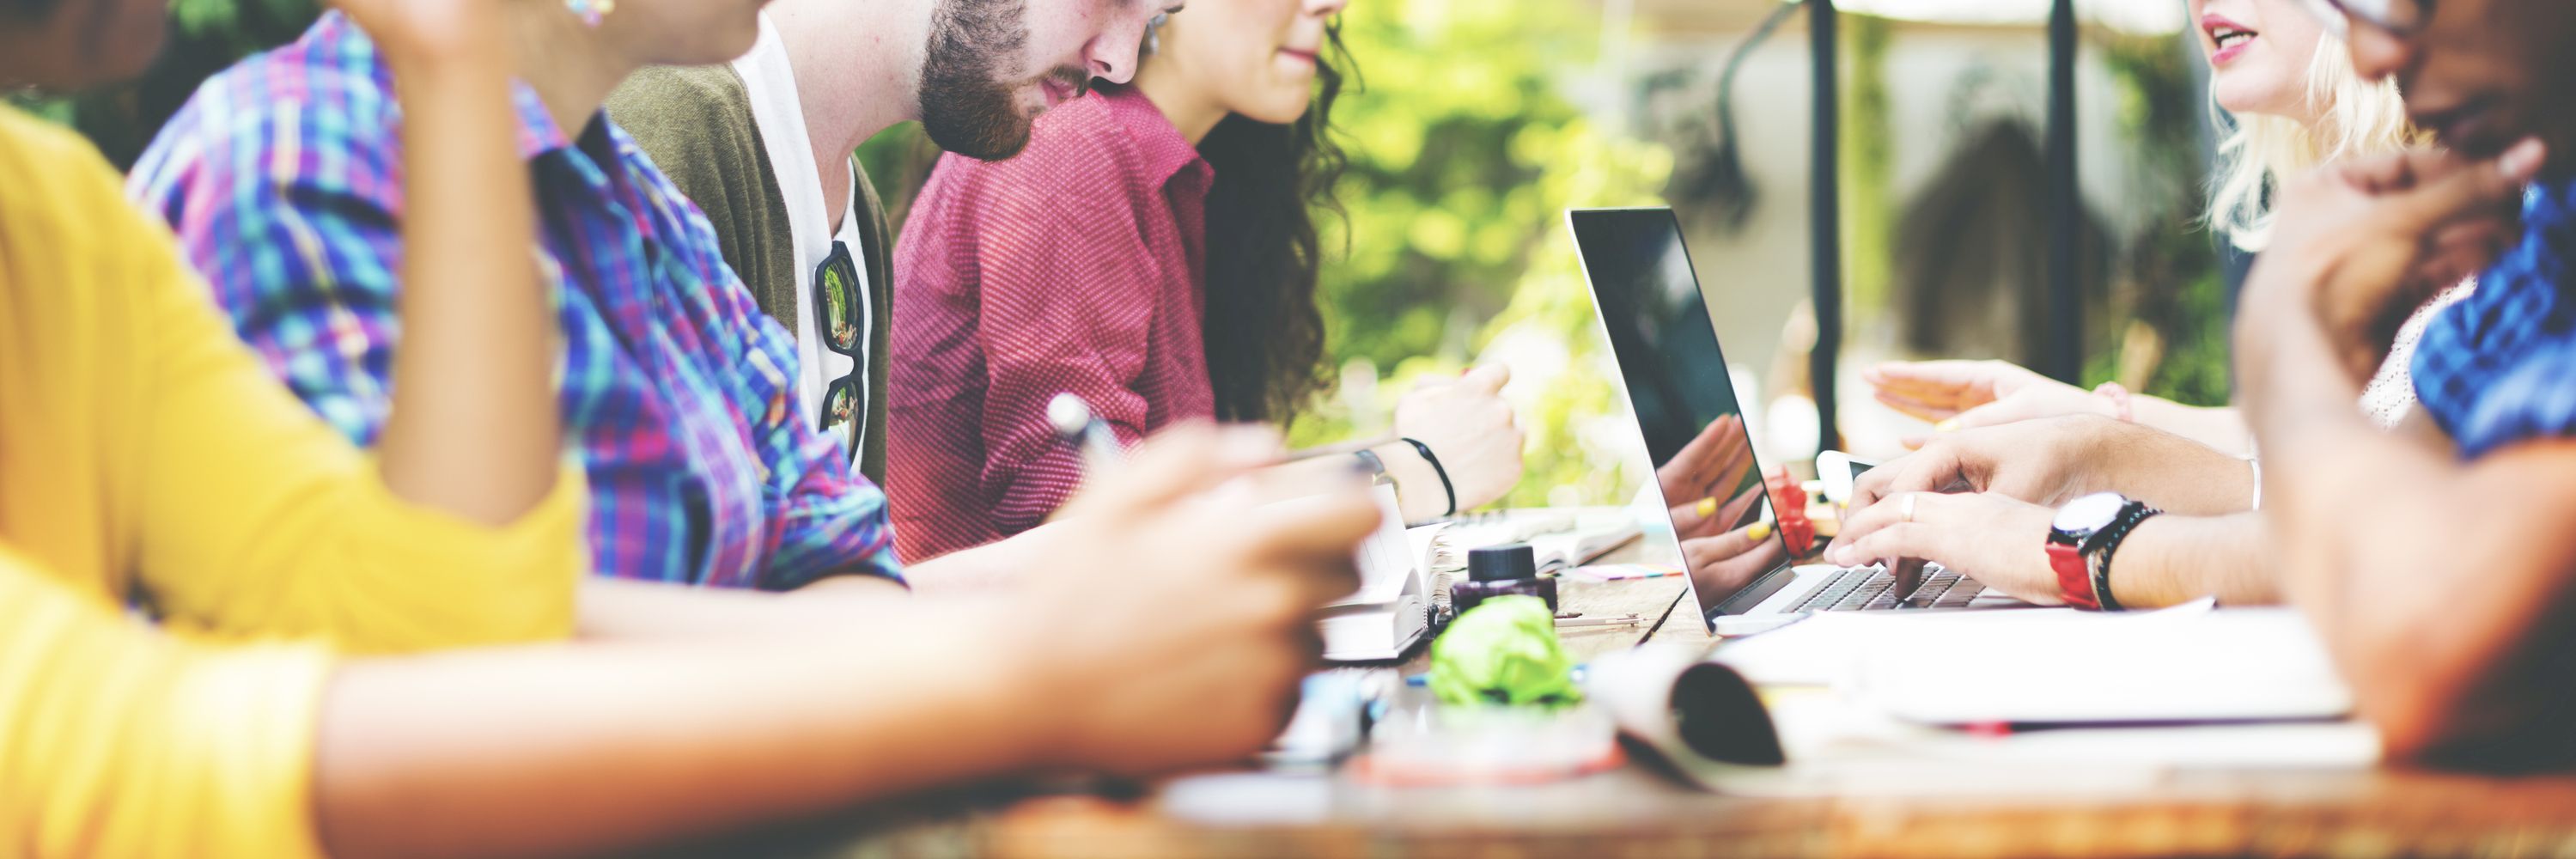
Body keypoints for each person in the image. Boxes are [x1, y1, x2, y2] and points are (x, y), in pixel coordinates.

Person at [2, 0, 1384, 854]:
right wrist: (1025, 669)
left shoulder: (630, 198)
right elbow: (320, 709)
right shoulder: (288, 160)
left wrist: (448, 60)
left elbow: (472, 619)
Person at [129, 0, 1174, 592]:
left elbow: (847, 564)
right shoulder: (293, 163)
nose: (1123, 58)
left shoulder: (628, 211)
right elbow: (456, 664)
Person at [1821, 0, 2436, 609]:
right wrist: (2096, 423)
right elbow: (2341, 438)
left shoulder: (2514, 223)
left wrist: (2081, 511)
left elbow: (2399, 521)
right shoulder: (2389, 216)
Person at [886, 0, 1527, 561]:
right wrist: (1416, 469)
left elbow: (1175, 495)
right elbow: (1090, 514)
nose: (1332, 4)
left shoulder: (1167, 175)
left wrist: (1397, 452)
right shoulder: (1068, 143)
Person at [604, 0, 1159, 486]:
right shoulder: (663, 126)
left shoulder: (856, 212)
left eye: (1154, 21)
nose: (1121, 61)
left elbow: (833, 585)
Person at [1864, 0, 2453, 454]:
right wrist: (2080, 419)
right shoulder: (2357, 214)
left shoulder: (2515, 216)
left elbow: (2362, 499)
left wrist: (2084, 529)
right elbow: (2290, 450)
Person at [2232, 0, 2575, 764]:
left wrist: (2284, 327)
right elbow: (2406, 496)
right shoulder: (2558, 221)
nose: (2370, 54)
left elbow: (2418, 632)